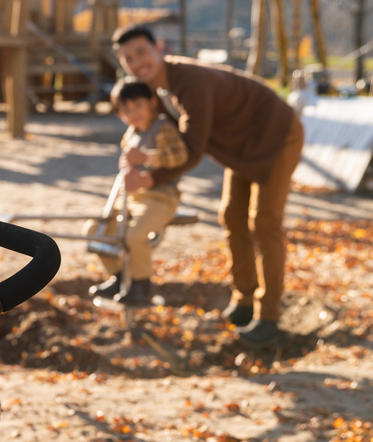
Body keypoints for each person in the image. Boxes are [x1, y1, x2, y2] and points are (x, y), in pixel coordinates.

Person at [111, 24, 304, 347]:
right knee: (231, 216)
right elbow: (169, 146)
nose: (137, 62)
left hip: (276, 135)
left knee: (265, 222)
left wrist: (148, 177)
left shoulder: (190, 82)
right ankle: (243, 302)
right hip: (240, 148)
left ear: (159, 47)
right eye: (129, 58)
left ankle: (268, 316)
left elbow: (191, 150)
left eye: (142, 52)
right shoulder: (155, 93)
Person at [88, 78, 188, 305]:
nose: (133, 113)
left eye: (137, 105)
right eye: (126, 110)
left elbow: (179, 157)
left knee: (135, 236)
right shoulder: (131, 133)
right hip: (132, 198)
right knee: (95, 230)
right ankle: (119, 276)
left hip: (160, 198)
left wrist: (145, 158)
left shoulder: (162, 127)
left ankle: (142, 286)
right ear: (119, 115)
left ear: (152, 102)